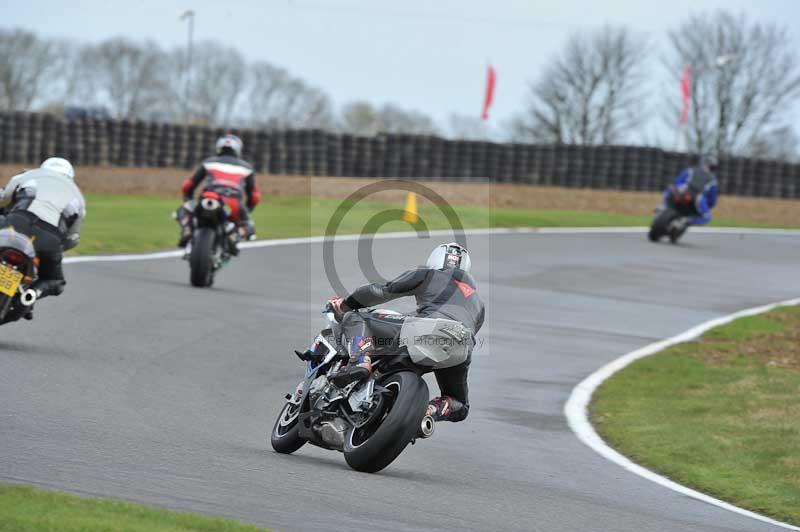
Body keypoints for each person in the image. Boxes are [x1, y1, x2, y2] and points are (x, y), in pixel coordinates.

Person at [327, 242, 485, 423]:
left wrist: (346, 304)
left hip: (427, 329)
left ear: (434, 259)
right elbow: (464, 328)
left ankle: (361, 360)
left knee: (354, 318)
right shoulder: (479, 304)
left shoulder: (429, 274)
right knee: (460, 403)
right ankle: (429, 412)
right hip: (461, 346)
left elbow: (379, 291)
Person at [0, 157, 86, 317]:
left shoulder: (28, 177)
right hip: (50, 238)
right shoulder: (78, 198)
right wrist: (53, 250)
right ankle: (32, 293)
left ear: (43, 168)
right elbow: (72, 238)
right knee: (55, 280)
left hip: (18, 221)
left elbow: (3, 199)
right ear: (70, 176)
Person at [179, 134, 260, 254]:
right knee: (249, 226)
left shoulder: (209, 162)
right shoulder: (247, 167)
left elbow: (188, 185)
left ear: (219, 147)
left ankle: (187, 229)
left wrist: (188, 199)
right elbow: (254, 196)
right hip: (234, 204)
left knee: (183, 211)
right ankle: (236, 235)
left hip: (208, 198)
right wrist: (247, 210)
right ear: (238, 149)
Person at [660, 154, 719, 239]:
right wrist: (709, 205)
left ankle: (662, 207)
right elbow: (712, 199)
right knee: (706, 217)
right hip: (696, 198)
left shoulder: (690, 171)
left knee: (671, 189)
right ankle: (687, 220)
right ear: (713, 168)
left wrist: (676, 188)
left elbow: (676, 181)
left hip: (684, 192)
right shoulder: (713, 181)